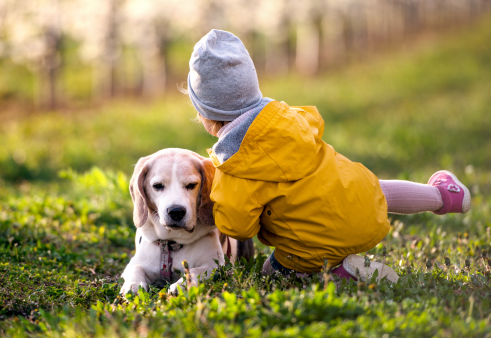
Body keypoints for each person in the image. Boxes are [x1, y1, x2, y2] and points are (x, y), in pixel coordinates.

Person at [184, 29, 471, 282]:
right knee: (372, 187)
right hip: (358, 201)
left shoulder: (235, 168)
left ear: (207, 115)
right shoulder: (288, 117)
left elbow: (239, 227)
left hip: (316, 243)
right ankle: (444, 196)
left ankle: (342, 274)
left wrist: (217, 200)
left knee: (271, 276)